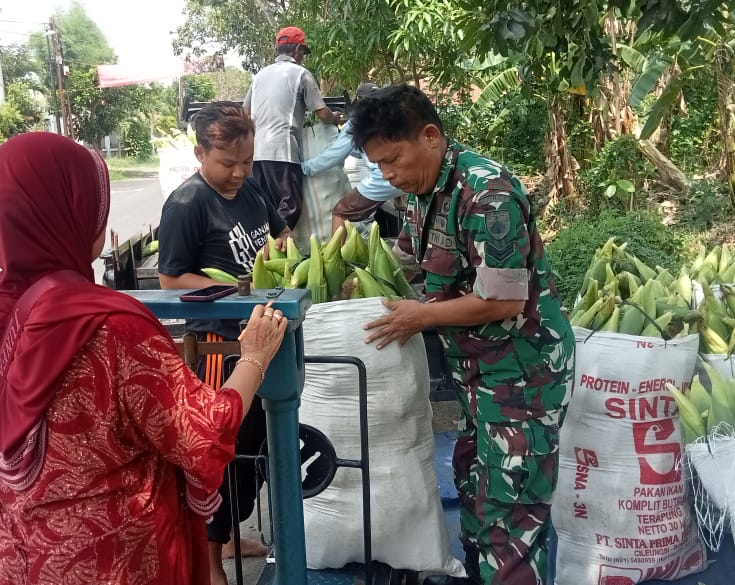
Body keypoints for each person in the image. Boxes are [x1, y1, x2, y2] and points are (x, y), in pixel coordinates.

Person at [0, 132, 289, 585]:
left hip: (12, 553)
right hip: (112, 560)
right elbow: (204, 431)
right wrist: (254, 356)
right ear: (74, 211)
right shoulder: (112, 328)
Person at [350, 85, 574, 585]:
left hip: (522, 371)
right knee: (475, 483)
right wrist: (355, 282)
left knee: (511, 508)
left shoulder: (488, 193)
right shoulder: (419, 193)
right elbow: (409, 258)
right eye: (378, 165)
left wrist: (418, 317)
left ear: (429, 136)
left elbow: (503, 299)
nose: (388, 174)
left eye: (393, 159)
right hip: (476, 372)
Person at [157, 102, 290, 585]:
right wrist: (236, 290)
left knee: (254, 450)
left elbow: (281, 234)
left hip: (263, 340)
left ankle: (229, 536)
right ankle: (210, 567)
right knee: (220, 452)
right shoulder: (188, 204)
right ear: (200, 153)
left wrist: (282, 251)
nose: (238, 172)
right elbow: (170, 280)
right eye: (227, 163)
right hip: (220, 350)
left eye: (247, 161)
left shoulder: (251, 188)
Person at [244, 25, 339, 229]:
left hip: (257, 155)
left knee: (265, 206)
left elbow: (244, 114)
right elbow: (322, 114)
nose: (303, 56)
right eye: (303, 51)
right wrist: (336, 119)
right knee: (290, 206)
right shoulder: (300, 74)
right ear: (297, 49)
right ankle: (279, 247)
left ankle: (264, 251)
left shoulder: (259, 76)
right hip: (283, 152)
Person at [301, 82, 403, 235]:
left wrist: (303, 168)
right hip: (407, 177)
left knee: (342, 213)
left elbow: (333, 156)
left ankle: (355, 254)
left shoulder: (356, 123)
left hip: (382, 178)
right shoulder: (391, 118)